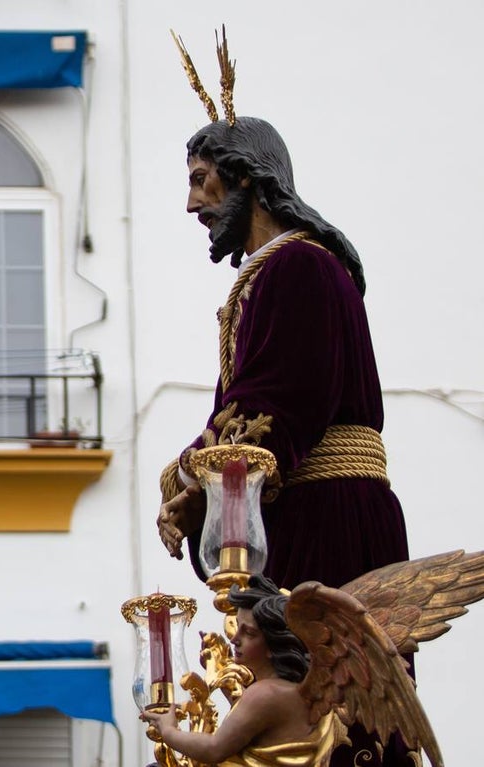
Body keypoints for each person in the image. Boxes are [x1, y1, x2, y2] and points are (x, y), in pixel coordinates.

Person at [154, 116, 412, 765]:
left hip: (327, 518)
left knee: (327, 717)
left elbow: (273, 404)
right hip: (311, 509)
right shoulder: (281, 270)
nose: (193, 203)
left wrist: (188, 477)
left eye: (202, 181)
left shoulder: (298, 266)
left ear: (246, 175)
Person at [139, 576, 331, 767]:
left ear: (273, 644)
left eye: (249, 633)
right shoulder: (292, 691)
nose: (234, 638)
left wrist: (169, 731)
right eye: (238, 626)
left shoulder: (265, 693)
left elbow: (214, 749)